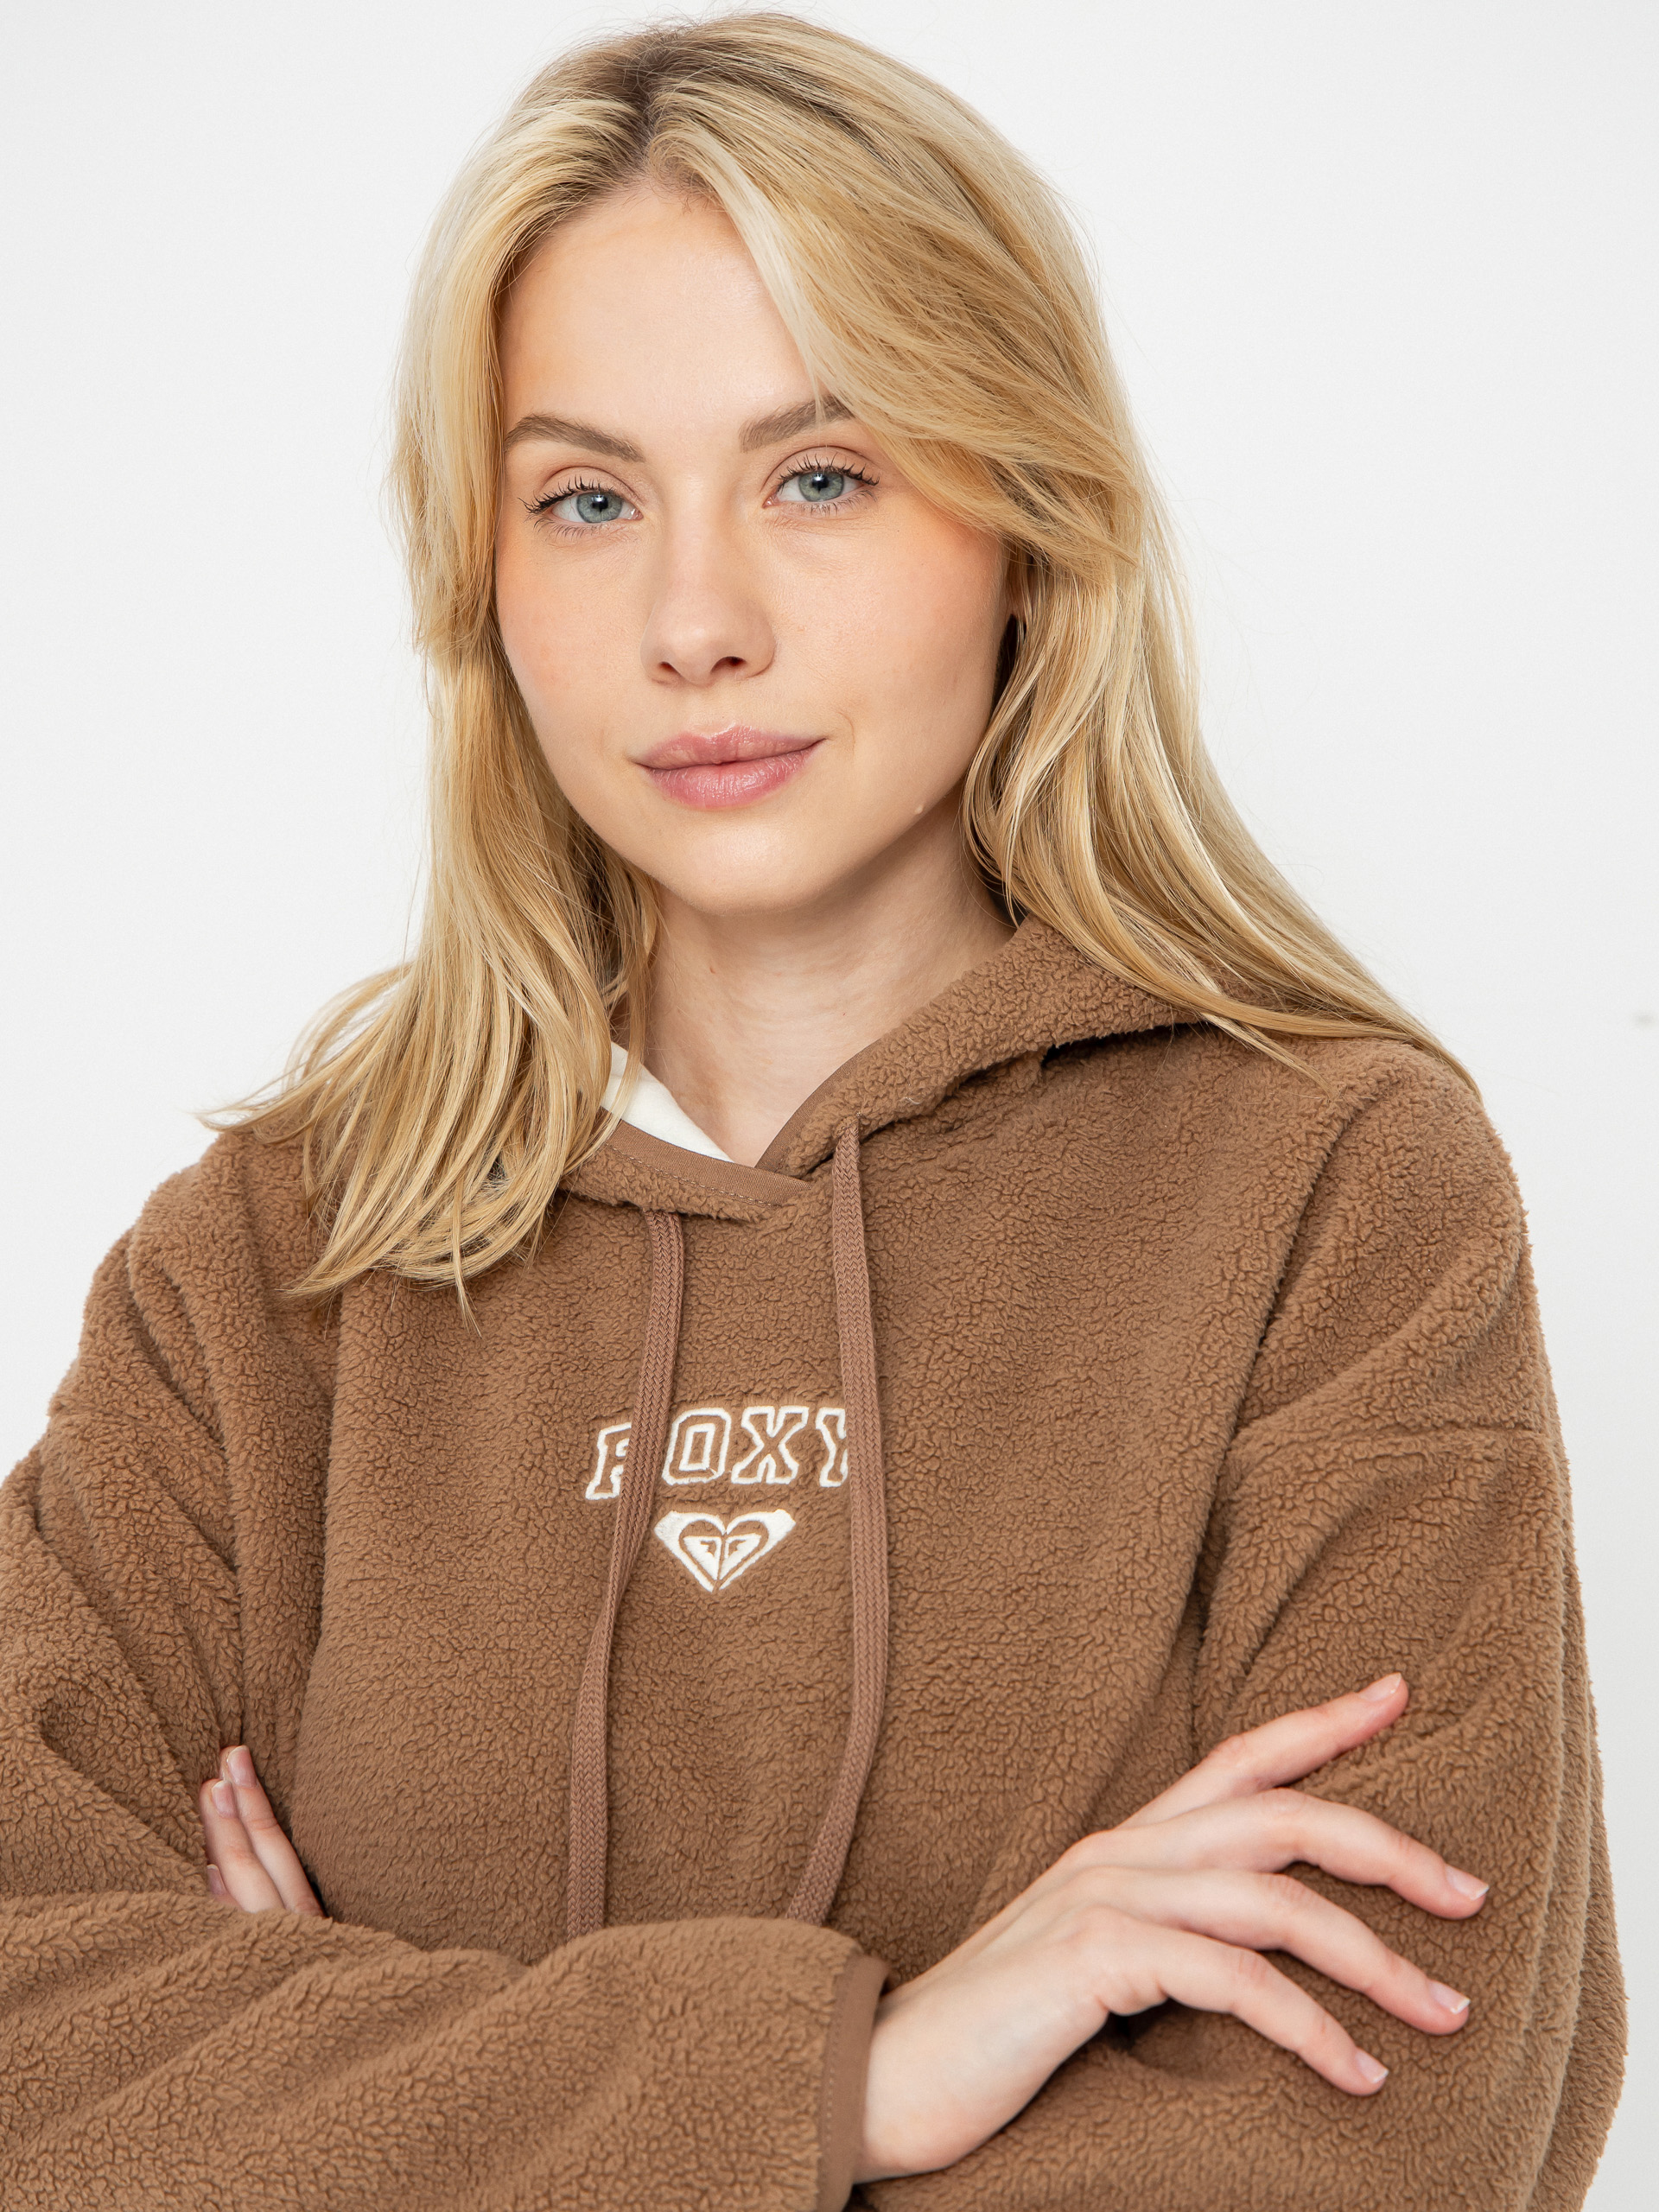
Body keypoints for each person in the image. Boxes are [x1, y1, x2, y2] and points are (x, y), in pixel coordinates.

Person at [0, 14, 1624, 2209]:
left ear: (1026, 517)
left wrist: (339, 2090)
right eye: (588, 499)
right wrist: (857, 2078)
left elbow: (1388, 2132)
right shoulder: (271, 1266)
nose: (697, 622)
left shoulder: (1333, 1191)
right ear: (485, 581)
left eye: (822, 474)